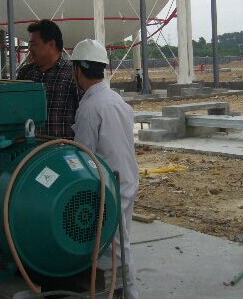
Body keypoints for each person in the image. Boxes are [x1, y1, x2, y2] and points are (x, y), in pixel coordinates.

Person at [70, 39, 140, 299]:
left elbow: (84, 153)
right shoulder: (115, 100)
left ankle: (128, 292)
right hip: (127, 178)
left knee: (117, 247)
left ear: (79, 70)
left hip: (109, 185)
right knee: (121, 239)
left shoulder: (90, 107)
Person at [17, 20, 81, 139]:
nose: (30, 49)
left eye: (34, 44)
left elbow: (83, 117)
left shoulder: (73, 74)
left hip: (63, 148)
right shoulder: (25, 73)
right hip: (29, 148)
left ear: (51, 44)